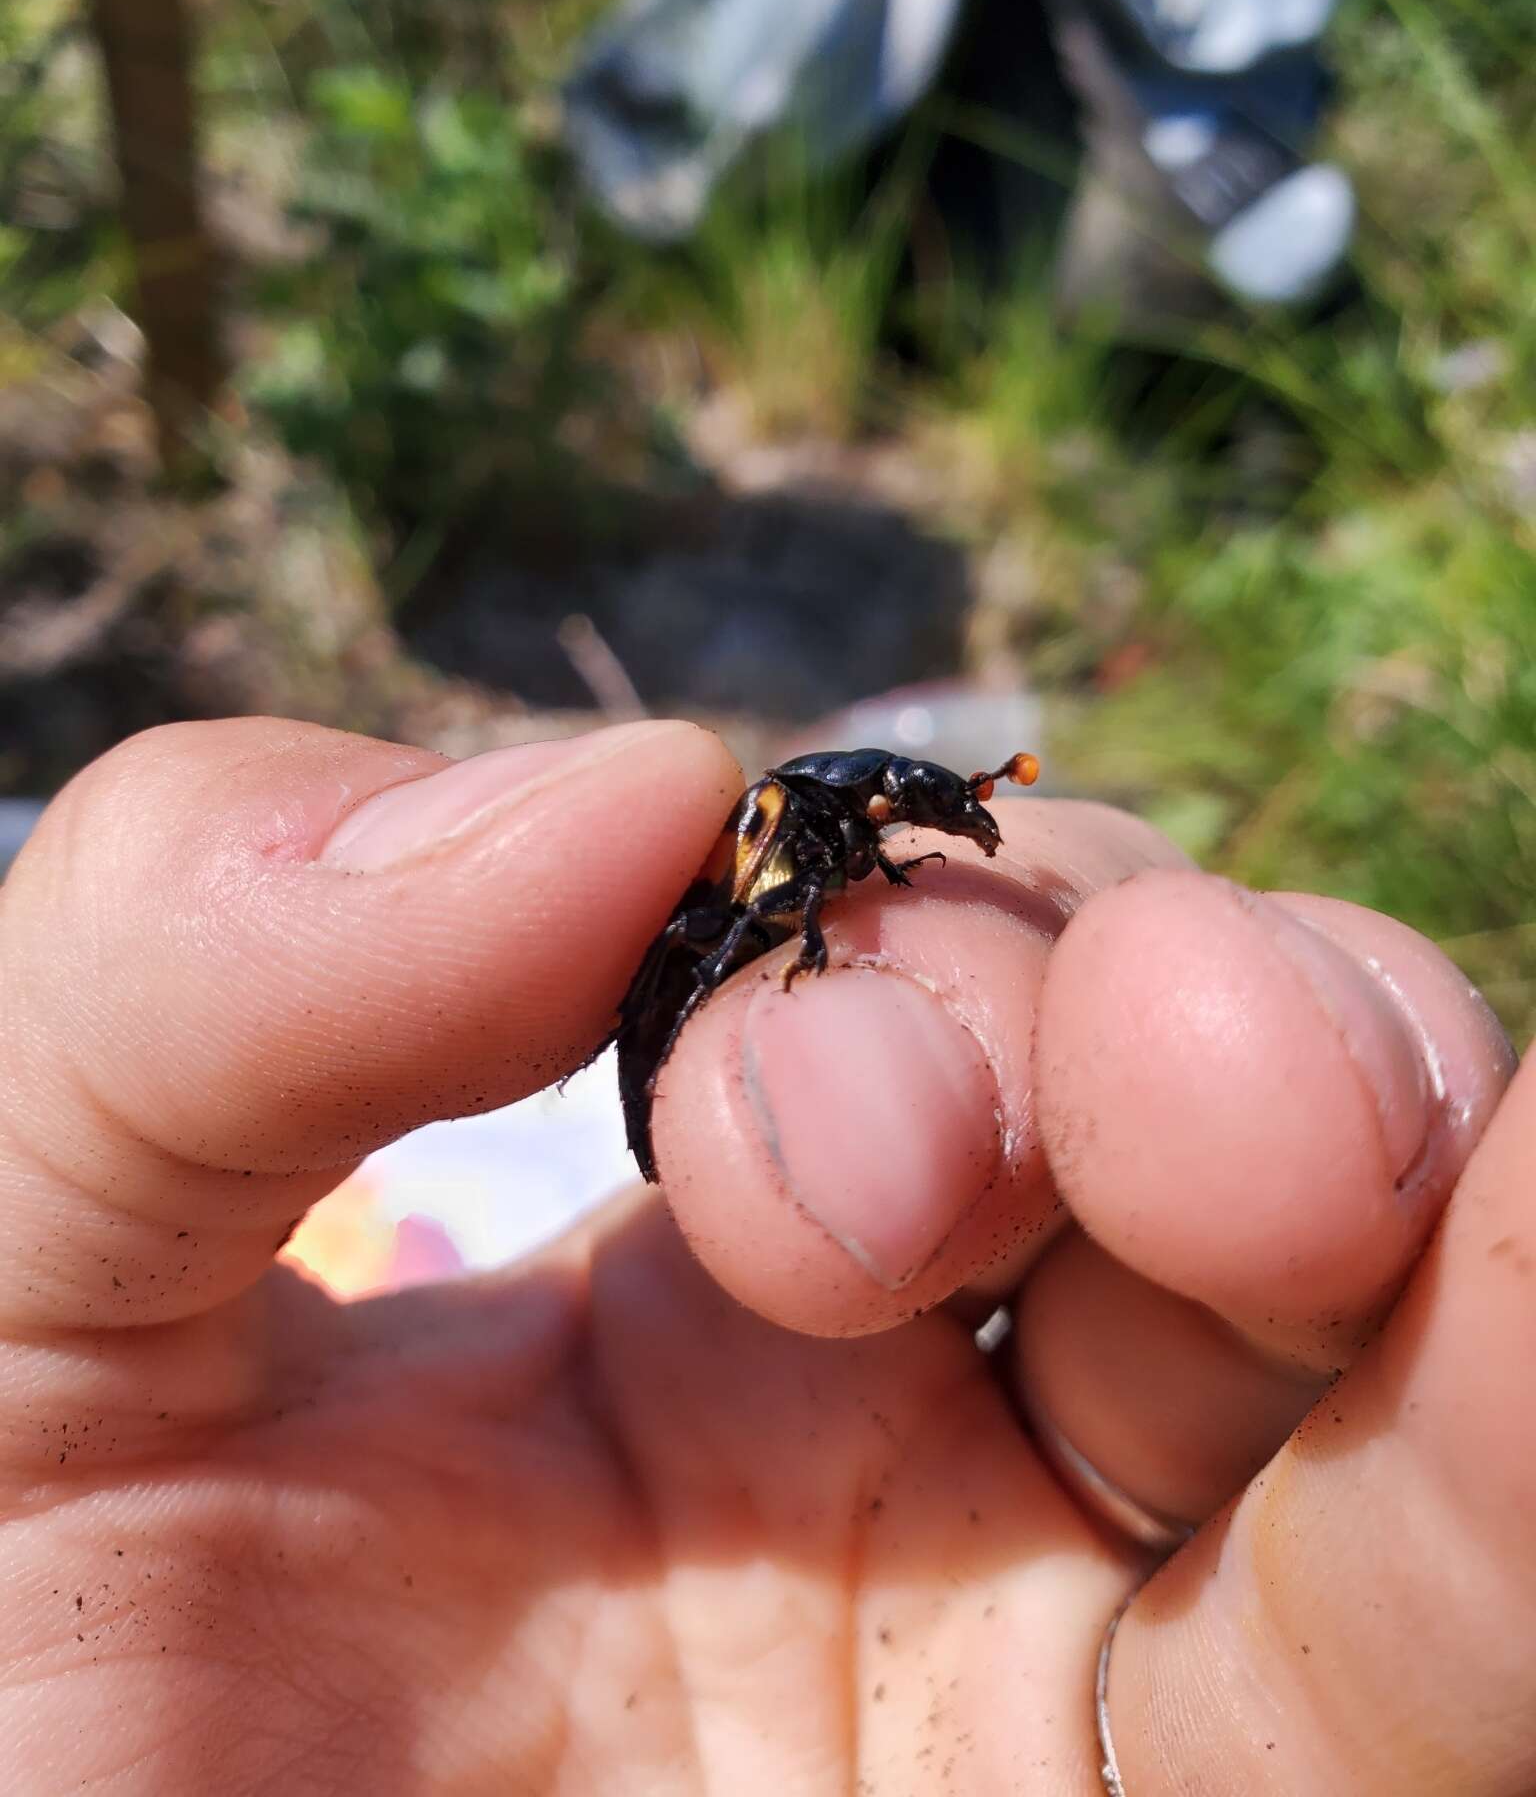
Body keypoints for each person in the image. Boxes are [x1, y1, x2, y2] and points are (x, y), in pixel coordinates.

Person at [0, 715, 1526, 1795]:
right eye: (936, 804)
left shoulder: (835, 824)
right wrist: (828, 945)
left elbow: (863, 867)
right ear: (881, 797)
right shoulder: (790, 833)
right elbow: (763, 915)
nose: (945, 821)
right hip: (687, 1039)